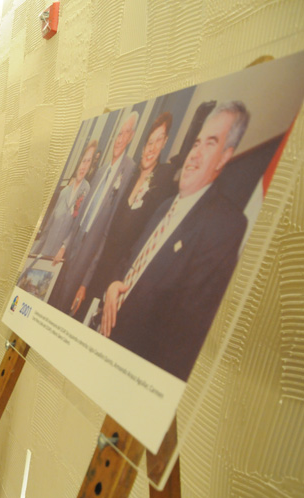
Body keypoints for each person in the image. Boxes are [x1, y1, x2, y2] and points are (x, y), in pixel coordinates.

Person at [99, 102, 250, 381]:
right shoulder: (165, 206)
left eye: (210, 143)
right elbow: (128, 259)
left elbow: (183, 332)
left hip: (133, 370)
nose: (195, 153)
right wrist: (111, 286)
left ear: (224, 156)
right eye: (196, 143)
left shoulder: (224, 225)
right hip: (104, 341)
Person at [47, 111, 140, 317]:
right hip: (74, 242)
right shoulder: (100, 172)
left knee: (64, 307)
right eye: (118, 133)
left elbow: (107, 233)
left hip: (90, 252)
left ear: (131, 136)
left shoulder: (129, 171)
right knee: (53, 294)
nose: (120, 138)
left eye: (125, 134)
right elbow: (80, 217)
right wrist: (64, 245)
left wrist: (86, 282)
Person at [84, 112, 177, 317]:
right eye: (149, 141)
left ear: (165, 143)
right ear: (143, 145)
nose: (152, 147)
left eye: (158, 140)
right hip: (100, 268)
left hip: (123, 276)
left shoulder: (163, 179)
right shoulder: (130, 176)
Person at [30, 140, 96, 261]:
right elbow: (49, 226)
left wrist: (64, 247)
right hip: (45, 251)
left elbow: (77, 226)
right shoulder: (64, 192)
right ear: (78, 162)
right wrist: (35, 252)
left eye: (88, 162)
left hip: (61, 256)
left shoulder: (86, 190)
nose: (84, 166)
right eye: (83, 161)